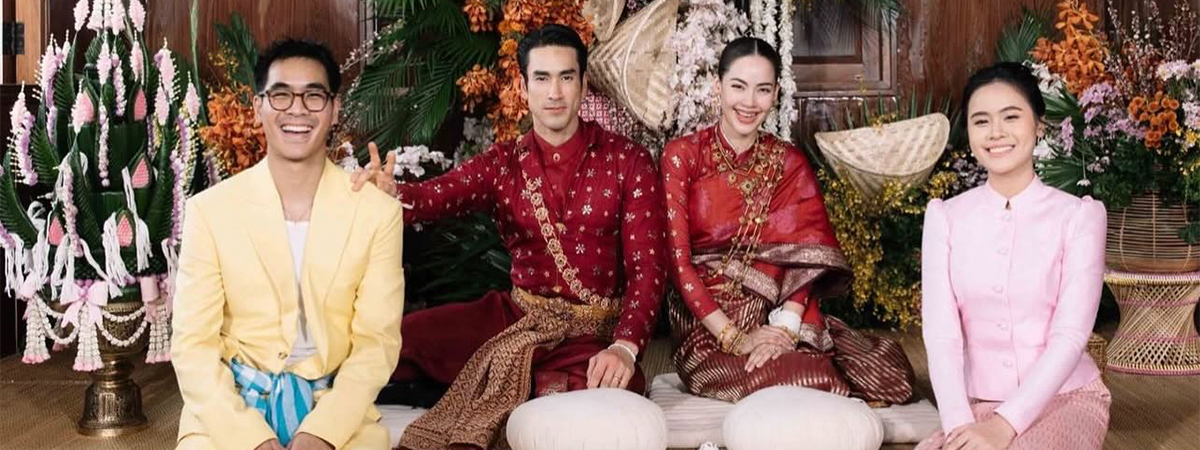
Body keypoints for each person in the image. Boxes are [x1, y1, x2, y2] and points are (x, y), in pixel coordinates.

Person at [350, 24, 667, 450]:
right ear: (523, 87)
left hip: (594, 334)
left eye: (566, 77)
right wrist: (392, 194)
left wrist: (625, 346)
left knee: (614, 384)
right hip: (517, 318)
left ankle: (505, 383)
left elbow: (649, 268)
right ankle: (516, 383)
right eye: (542, 78)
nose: (554, 92)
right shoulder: (503, 163)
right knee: (398, 339)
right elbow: (436, 197)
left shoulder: (628, 161)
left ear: (583, 84)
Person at [171, 39, 404, 450]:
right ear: (258, 107)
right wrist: (252, 439)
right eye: (281, 95)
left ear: (334, 109)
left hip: (335, 409)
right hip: (229, 410)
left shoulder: (376, 213)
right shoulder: (210, 211)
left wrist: (321, 433)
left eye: (313, 96)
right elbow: (193, 347)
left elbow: (376, 344)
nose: (297, 110)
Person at [661, 36, 916, 404]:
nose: (750, 102)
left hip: (774, 311)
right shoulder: (682, 156)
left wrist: (785, 329)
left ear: (776, 93)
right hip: (706, 326)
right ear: (718, 87)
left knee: (891, 377)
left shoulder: (789, 162)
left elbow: (803, 261)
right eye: (738, 87)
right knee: (813, 376)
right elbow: (678, 264)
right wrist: (736, 338)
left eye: (763, 90)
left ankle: (805, 359)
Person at [917, 62, 1111, 450]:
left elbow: (1071, 335)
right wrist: (958, 426)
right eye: (981, 121)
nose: (996, 132)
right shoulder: (945, 217)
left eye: (1011, 117)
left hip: (1066, 398)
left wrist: (1004, 427)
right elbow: (941, 335)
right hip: (975, 404)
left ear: (1038, 125)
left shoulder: (1079, 216)